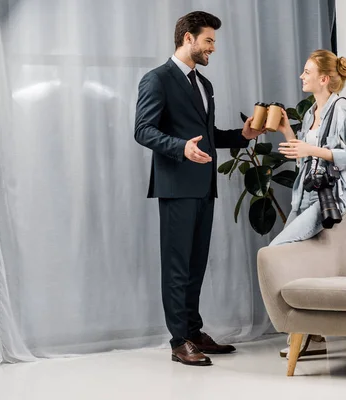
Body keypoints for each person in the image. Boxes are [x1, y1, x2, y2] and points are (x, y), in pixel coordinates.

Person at [134, 11, 264, 366]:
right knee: (177, 266)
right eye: (209, 40)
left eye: (214, 42)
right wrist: (180, 148)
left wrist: (244, 135)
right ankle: (179, 341)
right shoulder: (156, 79)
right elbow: (143, 129)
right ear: (187, 39)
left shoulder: (204, 84)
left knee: (195, 265)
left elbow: (208, 136)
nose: (213, 48)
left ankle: (193, 330)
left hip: (205, 185)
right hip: (176, 185)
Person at [270, 49, 346, 358]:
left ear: (323, 79)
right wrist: (285, 130)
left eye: (307, 72)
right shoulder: (311, 112)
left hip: (330, 193)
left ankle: (305, 332)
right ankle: (314, 337)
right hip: (306, 190)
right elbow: (305, 155)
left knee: (278, 251)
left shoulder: (342, 110)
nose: (301, 76)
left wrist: (312, 149)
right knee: (296, 256)